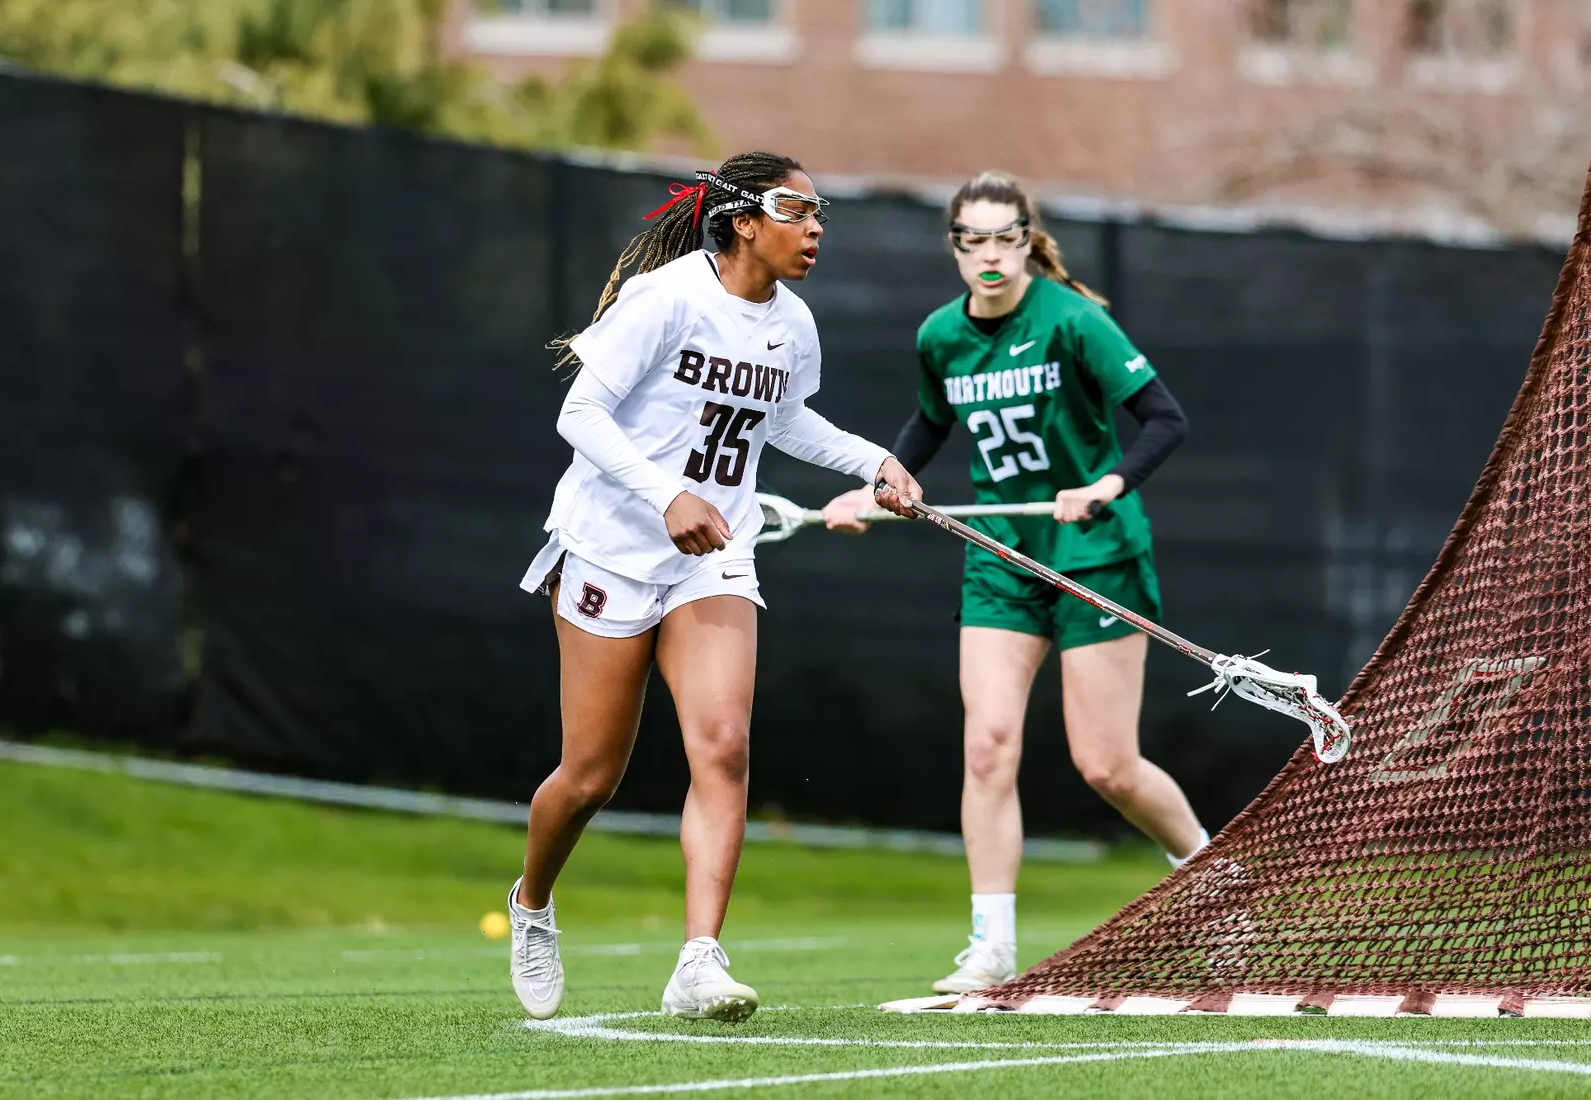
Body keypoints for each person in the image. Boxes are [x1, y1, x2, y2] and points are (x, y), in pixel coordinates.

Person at [509, 152, 924, 1024]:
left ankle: (699, 958)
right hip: (609, 549)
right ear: (743, 220)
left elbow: (788, 421)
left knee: (724, 744)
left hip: (715, 557)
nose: (815, 229)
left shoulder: (794, 323)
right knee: (588, 779)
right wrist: (665, 497)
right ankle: (534, 903)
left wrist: (876, 461)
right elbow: (576, 413)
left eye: (821, 214)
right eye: (796, 211)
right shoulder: (664, 299)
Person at [823, 171, 1205, 994]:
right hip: (999, 557)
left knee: (1107, 765)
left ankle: (1212, 881)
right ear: (954, 246)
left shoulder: (1073, 321)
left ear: (1028, 240)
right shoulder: (940, 336)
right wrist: (877, 486)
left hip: (1095, 556)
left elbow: (1165, 418)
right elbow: (930, 422)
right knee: (987, 745)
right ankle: (990, 947)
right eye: (974, 240)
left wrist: (1106, 486)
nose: (990, 255)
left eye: (1006, 238)